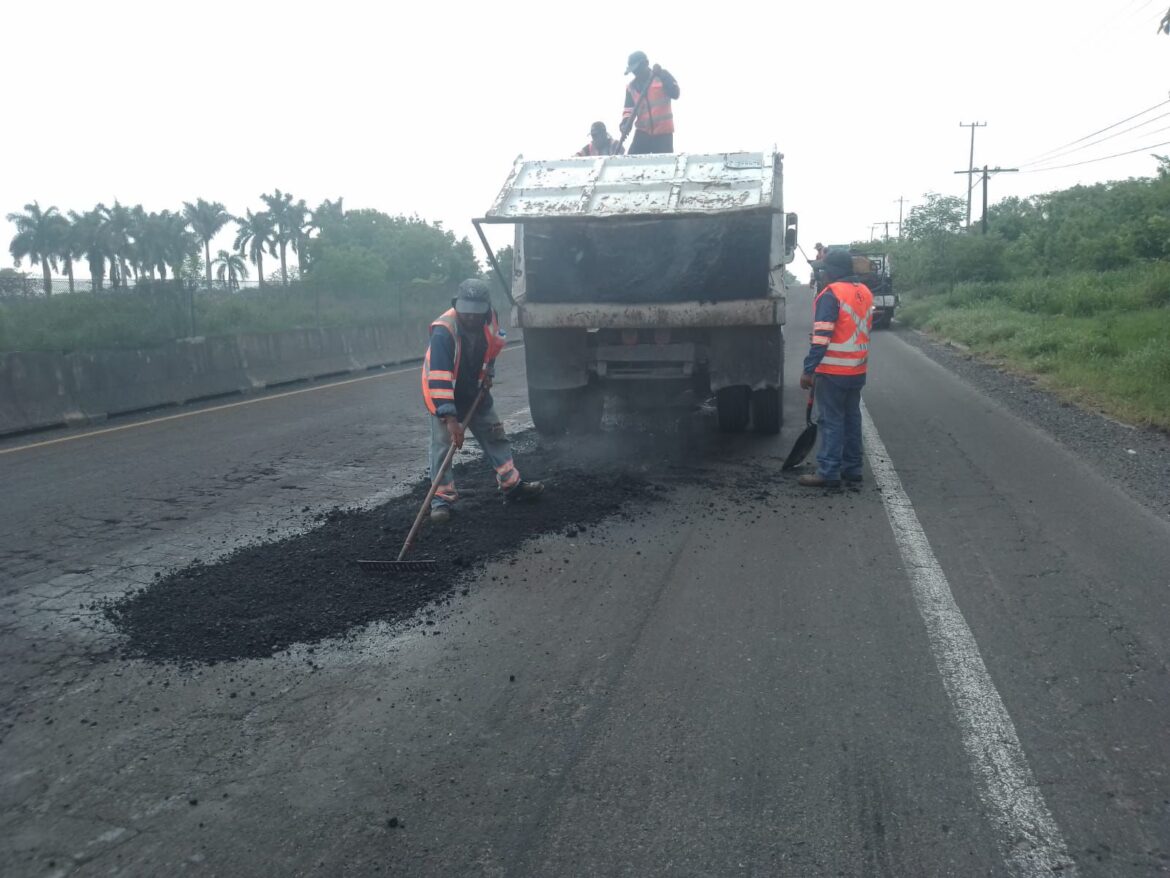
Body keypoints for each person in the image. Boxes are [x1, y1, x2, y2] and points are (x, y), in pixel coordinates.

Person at [421, 279, 544, 523]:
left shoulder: (490, 320)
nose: (471, 319)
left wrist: (489, 374)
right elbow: (440, 378)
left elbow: (494, 348)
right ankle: (441, 501)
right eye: (466, 313)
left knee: (495, 435)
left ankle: (512, 486)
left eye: (477, 314)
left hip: (475, 391)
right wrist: (451, 420)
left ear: (486, 310)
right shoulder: (443, 331)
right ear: (458, 306)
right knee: (443, 447)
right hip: (444, 395)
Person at [798, 250, 875, 489]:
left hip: (833, 370)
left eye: (825, 268)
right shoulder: (864, 292)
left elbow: (822, 337)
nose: (822, 272)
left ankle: (829, 471)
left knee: (831, 420)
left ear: (833, 270)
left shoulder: (831, 294)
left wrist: (808, 369)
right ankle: (852, 469)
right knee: (852, 418)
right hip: (857, 369)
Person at [619, 50, 679, 155]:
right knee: (630, 162)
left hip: (663, 134)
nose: (635, 73)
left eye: (637, 69)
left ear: (646, 64)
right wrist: (625, 124)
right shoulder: (631, 87)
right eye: (633, 71)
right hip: (643, 134)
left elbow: (675, 94)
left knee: (664, 167)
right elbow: (628, 111)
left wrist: (663, 76)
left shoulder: (661, 76)